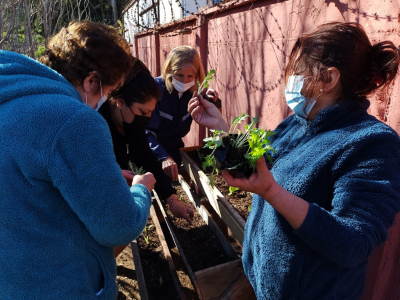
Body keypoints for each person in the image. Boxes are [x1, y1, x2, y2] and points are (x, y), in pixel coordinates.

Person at [188, 22, 400, 300]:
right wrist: (222, 129)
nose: (292, 79)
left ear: (329, 79)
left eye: (299, 71)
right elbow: (258, 167)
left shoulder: (371, 143)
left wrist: (273, 193)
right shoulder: (298, 124)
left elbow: (353, 244)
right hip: (266, 286)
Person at [0, 21, 156, 300]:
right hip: (62, 285)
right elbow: (119, 225)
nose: (106, 99)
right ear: (92, 81)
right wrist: (141, 190)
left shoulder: (10, 100)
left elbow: (29, 191)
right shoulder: (75, 121)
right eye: (108, 90)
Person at [98, 59, 194, 257]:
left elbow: (146, 157)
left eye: (151, 112)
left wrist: (171, 198)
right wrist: (113, 174)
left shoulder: (132, 123)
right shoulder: (97, 124)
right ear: (120, 102)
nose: (147, 118)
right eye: (143, 112)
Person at [146, 45, 219, 181]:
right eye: (179, 75)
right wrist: (163, 157)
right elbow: (148, 132)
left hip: (176, 149)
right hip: (153, 151)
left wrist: (207, 95)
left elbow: (206, 99)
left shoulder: (194, 92)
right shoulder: (156, 90)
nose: (184, 81)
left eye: (190, 76)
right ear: (169, 70)